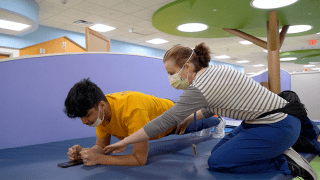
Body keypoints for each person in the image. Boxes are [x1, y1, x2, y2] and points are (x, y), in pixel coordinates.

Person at [103, 43, 317, 180]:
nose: (170, 78)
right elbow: (211, 105)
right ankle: (278, 151)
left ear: (187, 67)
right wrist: (188, 118)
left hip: (277, 126)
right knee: (216, 153)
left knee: (219, 162)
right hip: (261, 123)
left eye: (171, 73)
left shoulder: (201, 85)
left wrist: (124, 141)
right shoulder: (215, 71)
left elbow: (164, 120)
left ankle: (287, 164)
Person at [63, 78, 225, 166]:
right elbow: (102, 147)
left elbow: (140, 159)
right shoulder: (102, 114)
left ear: (102, 105)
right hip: (156, 110)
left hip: (173, 118)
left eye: (87, 115)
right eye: (80, 117)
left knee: (202, 122)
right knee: (198, 124)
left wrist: (98, 159)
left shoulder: (132, 111)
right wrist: (85, 153)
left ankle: (219, 120)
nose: (84, 121)